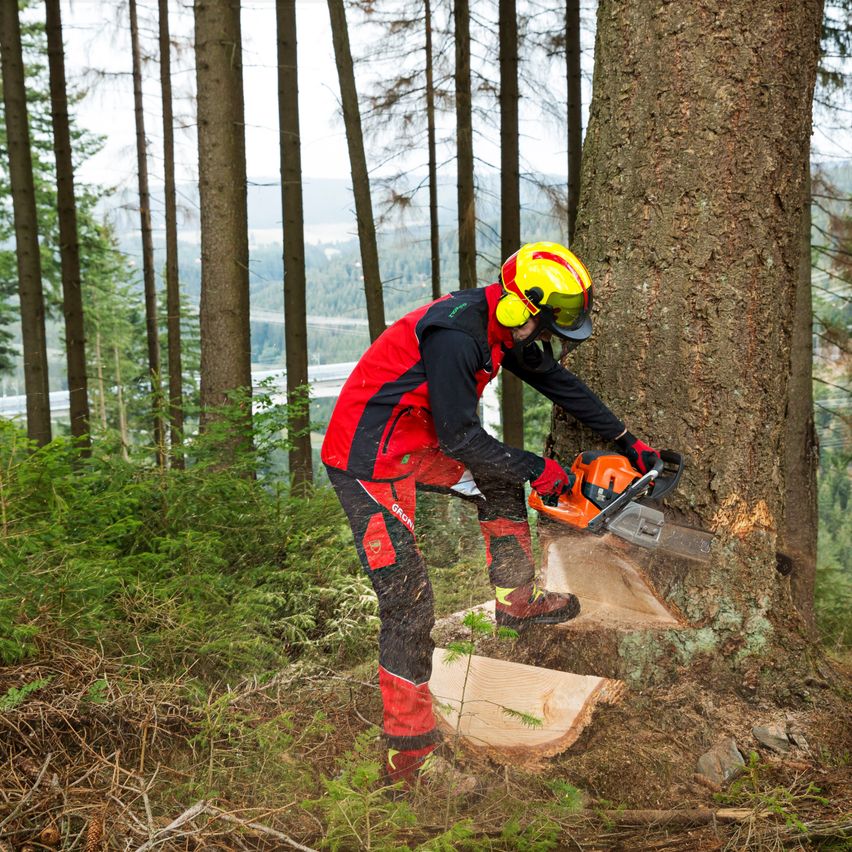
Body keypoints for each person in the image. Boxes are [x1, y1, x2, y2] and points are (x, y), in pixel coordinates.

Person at [321, 241, 659, 786]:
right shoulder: (458, 336)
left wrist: (627, 439)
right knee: (408, 608)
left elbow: (558, 382)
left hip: (416, 440)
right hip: (371, 459)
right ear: (521, 308)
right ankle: (409, 761)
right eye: (547, 324)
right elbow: (460, 437)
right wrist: (539, 469)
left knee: (500, 482)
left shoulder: (507, 326)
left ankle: (516, 603)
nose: (549, 337)